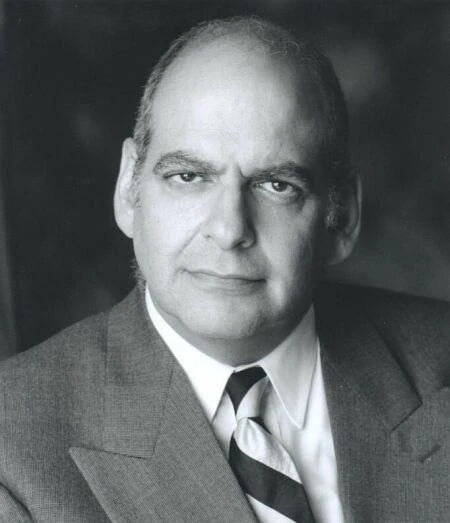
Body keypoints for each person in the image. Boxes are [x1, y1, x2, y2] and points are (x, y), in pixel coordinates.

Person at [1, 16, 449, 523]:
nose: (229, 229)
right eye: (188, 176)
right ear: (129, 190)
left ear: (341, 216)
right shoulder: (12, 446)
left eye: (277, 185)